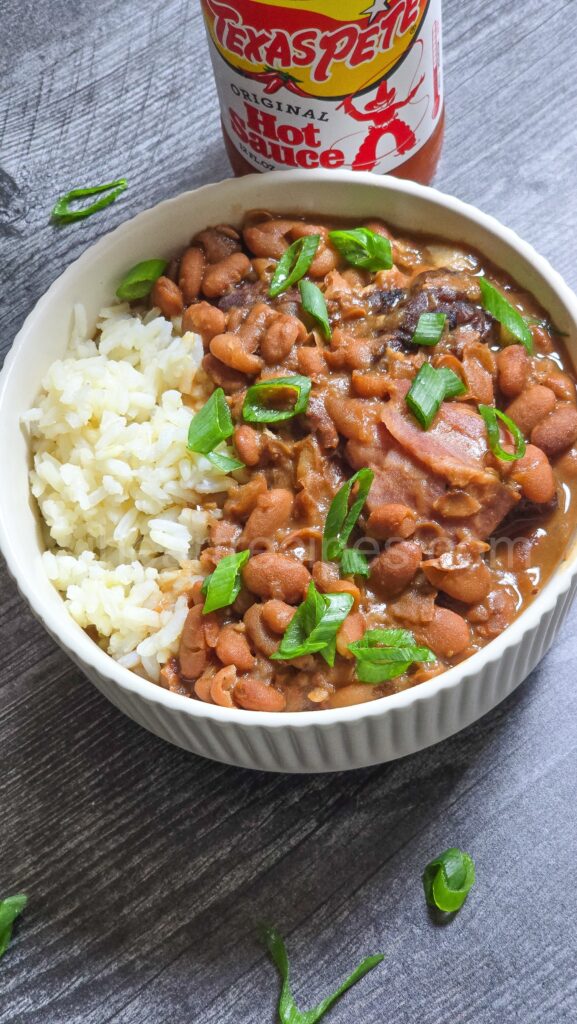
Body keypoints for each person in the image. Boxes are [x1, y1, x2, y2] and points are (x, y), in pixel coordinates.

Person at [343, 75, 425, 171]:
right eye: (379, 104)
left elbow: (406, 100)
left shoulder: (391, 108)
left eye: (384, 103)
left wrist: (418, 84)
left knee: (405, 136)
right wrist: (348, 105)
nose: (382, 106)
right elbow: (359, 117)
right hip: (378, 129)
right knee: (369, 145)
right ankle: (364, 164)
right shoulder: (375, 114)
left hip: (394, 124)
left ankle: (406, 146)